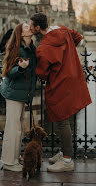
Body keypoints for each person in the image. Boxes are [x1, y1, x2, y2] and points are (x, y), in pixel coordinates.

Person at [30, 12, 92, 173]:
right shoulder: (63, 30)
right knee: (65, 120)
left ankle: (67, 160)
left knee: (62, 122)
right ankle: (65, 152)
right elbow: (78, 38)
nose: (30, 28)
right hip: (73, 80)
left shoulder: (43, 48)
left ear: (38, 28)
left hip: (59, 84)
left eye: (32, 25)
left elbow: (42, 73)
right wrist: (68, 55)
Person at [0, 23, 36, 172]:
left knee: (19, 127)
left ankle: (15, 157)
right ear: (21, 34)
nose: (30, 28)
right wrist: (20, 68)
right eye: (26, 27)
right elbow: (8, 72)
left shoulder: (32, 48)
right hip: (14, 92)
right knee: (12, 128)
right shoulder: (17, 48)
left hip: (22, 93)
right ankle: (9, 162)